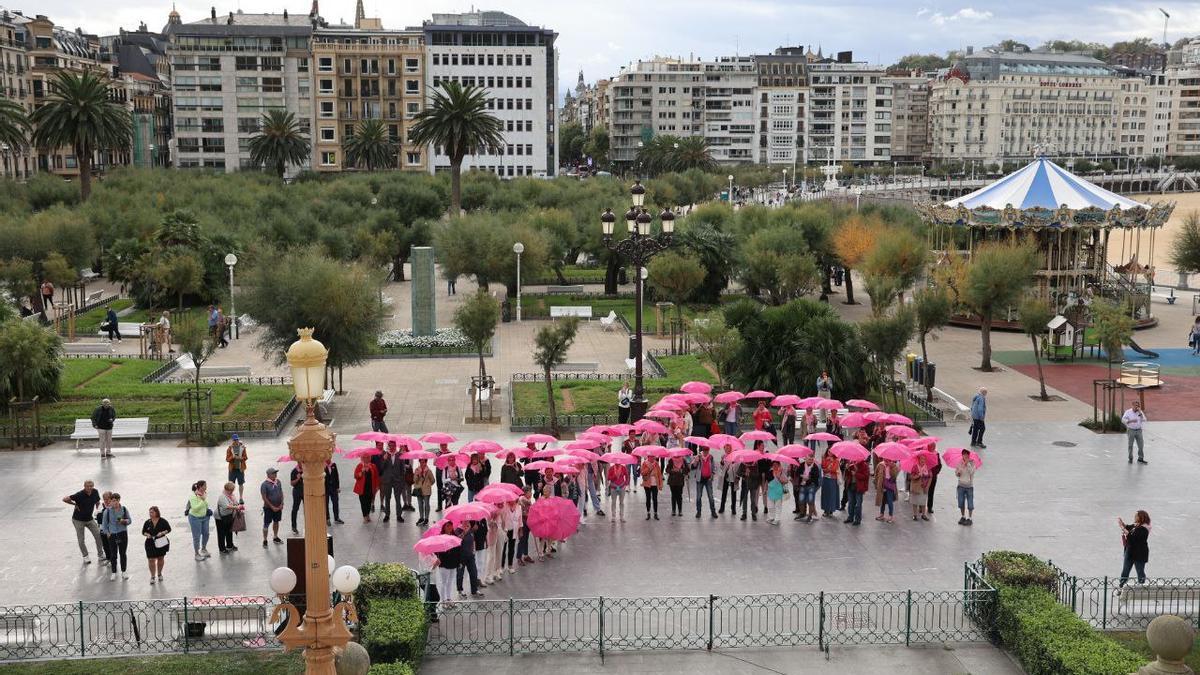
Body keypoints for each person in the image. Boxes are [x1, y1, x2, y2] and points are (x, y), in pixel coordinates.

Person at [63, 480, 106, 564]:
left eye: (91, 486)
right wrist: (74, 504)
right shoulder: (79, 494)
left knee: (98, 536)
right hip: (78, 520)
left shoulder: (95, 492)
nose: (90, 488)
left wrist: (98, 509)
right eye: (88, 486)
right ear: (84, 486)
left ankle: (100, 554)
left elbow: (97, 501)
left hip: (89, 519)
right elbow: (65, 499)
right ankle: (85, 556)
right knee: (81, 539)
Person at [432, 521, 462, 612]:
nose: (450, 528)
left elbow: (458, 549)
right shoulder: (440, 538)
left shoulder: (454, 536)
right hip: (444, 564)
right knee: (444, 582)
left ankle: (449, 599)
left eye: (451, 526)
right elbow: (436, 551)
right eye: (448, 526)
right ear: (444, 527)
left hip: (453, 563)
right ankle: (443, 600)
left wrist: (459, 561)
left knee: (450, 582)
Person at [101, 492, 131, 581]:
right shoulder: (107, 511)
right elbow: (104, 525)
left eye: (116, 501)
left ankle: (124, 571)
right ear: (111, 501)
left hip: (122, 533)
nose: (114, 503)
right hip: (112, 535)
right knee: (113, 555)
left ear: (119, 500)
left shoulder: (124, 509)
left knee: (123, 553)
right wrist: (107, 533)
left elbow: (130, 520)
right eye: (113, 501)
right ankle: (113, 572)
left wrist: (124, 521)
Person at [1117, 511, 1151, 587]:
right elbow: (1128, 527)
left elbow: (1132, 538)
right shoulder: (1136, 525)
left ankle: (1142, 587)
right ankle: (1121, 586)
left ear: (1141, 517)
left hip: (1139, 553)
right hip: (1129, 551)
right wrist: (1122, 524)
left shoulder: (1144, 529)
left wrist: (1122, 528)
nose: (1135, 517)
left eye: (1136, 516)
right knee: (1125, 571)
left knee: (1140, 571)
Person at [141, 506, 171, 584]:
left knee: (160, 558)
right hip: (150, 543)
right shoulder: (147, 522)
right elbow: (143, 532)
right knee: (151, 559)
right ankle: (152, 576)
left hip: (161, 542)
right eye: (150, 512)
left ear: (156, 512)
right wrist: (147, 534)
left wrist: (162, 533)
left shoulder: (162, 521)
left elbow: (169, 529)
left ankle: (159, 573)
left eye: (152, 512)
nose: (150, 514)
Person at [185, 480, 212, 561]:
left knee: (206, 533)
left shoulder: (204, 494)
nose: (206, 487)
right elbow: (195, 508)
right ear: (200, 487)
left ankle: (203, 549)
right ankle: (196, 554)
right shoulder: (193, 496)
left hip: (205, 517)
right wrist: (202, 500)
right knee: (196, 537)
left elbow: (207, 505)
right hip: (195, 518)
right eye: (205, 485)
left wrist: (204, 501)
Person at [378, 444, 406, 523]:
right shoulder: (385, 455)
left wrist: (401, 481)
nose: (392, 447)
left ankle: (399, 515)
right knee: (387, 498)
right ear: (389, 446)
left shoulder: (399, 455)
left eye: (393, 445)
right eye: (390, 445)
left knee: (397, 498)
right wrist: (384, 459)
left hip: (397, 481)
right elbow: (381, 468)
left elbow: (402, 469)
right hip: (388, 480)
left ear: (395, 446)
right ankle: (387, 515)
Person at [260, 467, 284, 548]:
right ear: (268, 475)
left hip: (278, 507)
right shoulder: (264, 485)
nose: (275, 474)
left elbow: (281, 492)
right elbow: (264, 497)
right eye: (273, 473)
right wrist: (272, 507)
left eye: (276, 473)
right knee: (266, 524)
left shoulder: (278, 482)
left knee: (276, 522)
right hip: (268, 508)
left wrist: (282, 503)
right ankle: (265, 540)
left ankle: (275, 537)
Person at [216, 482, 242, 553]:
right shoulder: (222, 496)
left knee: (229, 531)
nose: (232, 492)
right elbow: (226, 506)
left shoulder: (231, 495)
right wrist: (236, 507)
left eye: (232, 490)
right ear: (226, 489)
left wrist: (238, 505)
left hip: (229, 515)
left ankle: (229, 545)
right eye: (230, 490)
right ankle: (222, 549)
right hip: (221, 517)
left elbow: (235, 502)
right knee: (221, 533)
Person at [793, 454, 821, 522]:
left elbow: (816, 477)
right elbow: (797, 473)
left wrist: (808, 478)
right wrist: (802, 476)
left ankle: (810, 516)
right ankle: (802, 514)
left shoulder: (815, 467)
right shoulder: (801, 465)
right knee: (801, 500)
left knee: (811, 501)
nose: (810, 461)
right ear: (805, 459)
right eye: (809, 459)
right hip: (802, 485)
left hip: (811, 485)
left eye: (812, 459)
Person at [693, 446, 717, 519]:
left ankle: (713, 512)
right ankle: (698, 512)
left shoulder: (711, 457)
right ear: (702, 450)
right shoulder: (698, 457)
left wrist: (712, 475)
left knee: (710, 496)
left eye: (707, 450)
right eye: (704, 450)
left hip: (708, 479)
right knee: (698, 497)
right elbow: (693, 466)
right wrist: (696, 460)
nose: (706, 452)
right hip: (700, 479)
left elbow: (714, 467)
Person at [354, 454, 379, 523]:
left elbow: (376, 477)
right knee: (363, 502)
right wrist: (361, 472)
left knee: (369, 502)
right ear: (362, 458)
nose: (366, 459)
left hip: (370, 487)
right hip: (362, 488)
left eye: (368, 457)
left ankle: (367, 514)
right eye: (364, 457)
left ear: (370, 458)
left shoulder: (373, 466)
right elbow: (356, 476)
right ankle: (365, 516)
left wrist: (377, 486)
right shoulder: (360, 466)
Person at [844, 459, 869, 526]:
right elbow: (847, 475)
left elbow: (865, 477)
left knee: (858, 505)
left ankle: (857, 519)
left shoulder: (864, 465)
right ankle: (850, 517)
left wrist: (856, 474)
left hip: (859, 487)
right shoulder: (850, 463)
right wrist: (847, 469)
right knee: (851, 503)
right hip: (850, 486)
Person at [955, 450, 977, 526]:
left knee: (970, 503)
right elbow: (957, 473)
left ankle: (970, 518)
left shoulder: (972, 463)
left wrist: (967, 464)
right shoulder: (959, 463)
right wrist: (959, 471)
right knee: (961, 502)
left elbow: (972, 472)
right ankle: (963, 516)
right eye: (964, 454)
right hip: (961, 485)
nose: (965, 456)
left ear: (969, 455)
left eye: (966, 454)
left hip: (969, 486)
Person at [412, 458, 435, 525]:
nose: (422, 464)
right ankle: (421, 517)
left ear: (426, 462)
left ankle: (426, 518)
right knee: (420, 504)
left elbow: (433, 480)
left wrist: (428, 484)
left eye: (423, 462)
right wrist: (418, 475)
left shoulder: (429, 471)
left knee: (426, 504)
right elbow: (414, 480)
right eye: (421, 462)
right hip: (419, 489)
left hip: (426, 490)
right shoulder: (416, 470)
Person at [225, 434, 248, 500]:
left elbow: (246, 457)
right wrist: (233, 457)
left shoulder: (243, 447)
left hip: (240, 469)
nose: (236, 441)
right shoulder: (229, 448)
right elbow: (227, 459)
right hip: (232, 469)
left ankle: (241, 497)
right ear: (232, 440)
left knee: (241, 483)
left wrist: (241, 458)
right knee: (230, 484)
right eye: (235, 440)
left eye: (237, 439)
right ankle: (231, 497)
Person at [718, 445, 739, 516]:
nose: (727, 449)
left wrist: (733, 464)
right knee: (724, 492)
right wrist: (722, 462)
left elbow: (737, 465)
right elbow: (721, 467)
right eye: (725, 448)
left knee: (734, 493)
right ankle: (722, 507)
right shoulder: (723, 456)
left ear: (731, 448)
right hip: (725, 476)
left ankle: (733, 508)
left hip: (733, 476)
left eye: (728, 447)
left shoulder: (734, 455)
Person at [738, 456, 761, 522]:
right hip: (745, 484)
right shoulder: (743, 464)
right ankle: (744, 513)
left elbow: (757, 474)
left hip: (753, 484)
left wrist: (750, 473)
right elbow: (739, 472)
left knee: (753, 500)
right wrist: (745, 473)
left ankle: (753, 514)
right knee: (744, 499)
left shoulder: (755, 464)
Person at [909, 455, 931, 521]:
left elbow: (930, 477)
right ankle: (915, 515)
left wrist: (927, 486)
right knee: (915, 500)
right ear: (918, 460)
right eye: (921, 459)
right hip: (916, 487)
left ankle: (923, 515)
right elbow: (911, 477)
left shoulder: (927, 468)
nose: (922, 460)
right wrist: (918, 475)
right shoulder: (915, 467)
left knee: (923, 501)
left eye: (924, 459)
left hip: (924, 487)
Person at [875, 459, 897, 524]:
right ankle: (881, 514)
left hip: (890, 486)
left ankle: (890, 516)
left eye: (888, 460)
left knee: (890, 501)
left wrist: (891, 467)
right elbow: (876, 474)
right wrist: (877, 484)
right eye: (885, 459)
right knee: (882, 500)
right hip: (882, 485)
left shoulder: (893, 465)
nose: (886, 461)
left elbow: (894, 476)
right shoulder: (880, 465)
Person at [640, 455, 662, 520]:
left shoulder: (656, 463)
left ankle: (655, 513)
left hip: (655, 484)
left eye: (653, 457)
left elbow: (659, 474)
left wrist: (660, 484)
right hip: (647, 484)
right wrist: (649, 468)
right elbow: (642, 473)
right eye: (651, 457)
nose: (652, 458)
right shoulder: (644, 463)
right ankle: (648, 513)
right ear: (648, 457)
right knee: (648, 498)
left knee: (655, 499)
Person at [820, 450, 840, 517]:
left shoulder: (836, 460)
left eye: (832, 451)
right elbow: (822, 467)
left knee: (832, 495)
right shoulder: (825, 459)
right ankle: (826, 510)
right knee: (825, 495)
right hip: (825, 479)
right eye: (829, 451)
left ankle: (831, 509)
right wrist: (824, 460)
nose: (830, 453)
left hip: (833, 479)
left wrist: (828, 469)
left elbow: (834, 469)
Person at [324, 460, 343, 525]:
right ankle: (327, 519)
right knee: (326, 504)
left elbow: (336, 476)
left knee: (335, 502)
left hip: (334, 488)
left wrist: (338, 487)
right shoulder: (322, 466)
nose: (328, 459)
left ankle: (336, 518)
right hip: (325, 488)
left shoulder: (333, 465)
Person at [289, 465, 305, 534]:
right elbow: (292, 483)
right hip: (297, 492)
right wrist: (298, 478)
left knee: (307, 509)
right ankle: (294, 526)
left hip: (306, 492)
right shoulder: (294, 471)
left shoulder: (306, 469)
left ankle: (308, 525)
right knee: (295, 509)